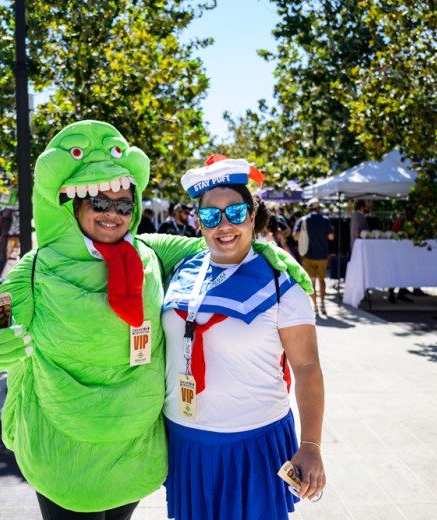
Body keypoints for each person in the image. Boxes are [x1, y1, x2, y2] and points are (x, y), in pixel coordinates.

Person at [0, 121, 310, 518]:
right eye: (100, 203)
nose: (113, 214)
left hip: (134, 453)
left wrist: (265, 253)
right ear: (74, 205)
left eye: (124, 205)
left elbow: (219, 244)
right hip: (65, 454)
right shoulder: (36, 267)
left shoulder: (150, 251)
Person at [161, 156, 325, 520]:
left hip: (254, 442)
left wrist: (311, 445)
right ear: (198, 222)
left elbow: (307, 367)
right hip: (185, 440)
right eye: (210, 216)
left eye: (235, 213)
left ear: (252, 217)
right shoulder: (182, 270)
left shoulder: (282, 284)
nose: (224, 225)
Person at [294, 198, 334, 317]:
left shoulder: (303, 220)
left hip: (308, 255)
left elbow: (295, 237)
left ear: (309, 208)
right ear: (318, 208)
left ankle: (315, 306)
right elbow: (331, 236)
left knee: (311, 281)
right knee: (322, 280)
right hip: (322, 255)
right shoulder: (325, 220)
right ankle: (322, 304)